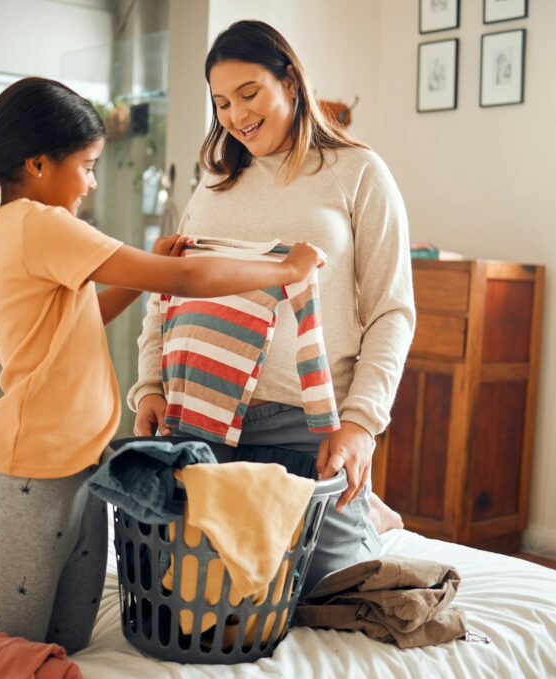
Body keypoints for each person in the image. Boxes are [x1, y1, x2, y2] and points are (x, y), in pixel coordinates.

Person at [0, 76, 326, 653]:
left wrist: (140, 279)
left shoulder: (25, 226)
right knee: (10, 648)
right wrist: (285, 271)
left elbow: (82, 319)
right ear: (37, 164)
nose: (89, 182)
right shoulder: (40, 224)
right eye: (86, 166)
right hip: (30, 476)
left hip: (84, 465)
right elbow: (189, 279)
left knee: (69, 640)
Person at [128, 20, 414, 591]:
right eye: (222, 102)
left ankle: (368, 516)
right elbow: (170, 293)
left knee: (326, 589)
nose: (236, 115)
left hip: (304, 423)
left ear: (289, 80)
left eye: (249, 94)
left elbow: (392, 311)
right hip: (200, 418)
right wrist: (150, 387)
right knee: (194, 588)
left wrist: (361, 424)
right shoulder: (213, 185)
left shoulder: (358, 173)